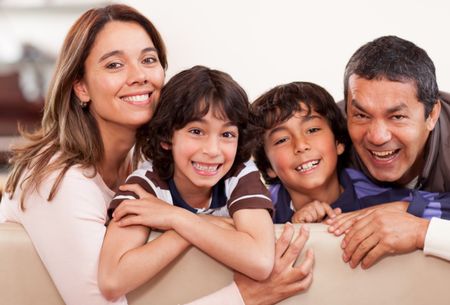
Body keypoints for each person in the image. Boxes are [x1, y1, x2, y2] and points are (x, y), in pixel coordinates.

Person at [0, 4, 313, 305]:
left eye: (148, 60)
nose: (139, 76)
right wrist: (243, 297)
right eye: (114, 64)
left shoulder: (145, 164)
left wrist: (185, 221)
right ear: (81, 88)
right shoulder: (61, 181)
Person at [98, 65, 275, 299]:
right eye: (196, 131)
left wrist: (177, 218)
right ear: (166, 138)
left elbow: (260, 262)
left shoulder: (239, 175)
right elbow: (112, 281)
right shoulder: (145, 187)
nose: (212, 151)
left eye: (227, 135)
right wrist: (193, 227)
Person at [250, 81, 450, 224]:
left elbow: (443, 207)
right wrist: (291, 227)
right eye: (282, 140)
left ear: (339, 143)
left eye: (312, 130)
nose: (301, 145)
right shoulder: (259, 207)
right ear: (268, 167)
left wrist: (400, 210)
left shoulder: (378, 196)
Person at [328, 35, 450, 268]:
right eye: (361, 115)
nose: (377, 136)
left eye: (397, 117)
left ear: (431, 115)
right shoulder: (329, 132)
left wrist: (420, 228)